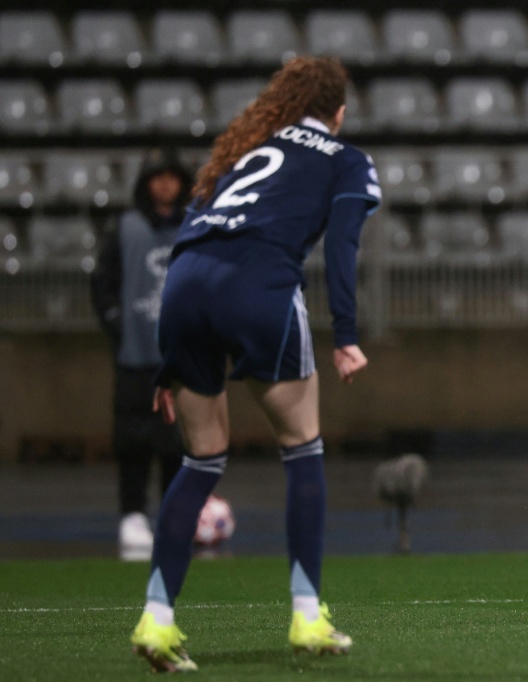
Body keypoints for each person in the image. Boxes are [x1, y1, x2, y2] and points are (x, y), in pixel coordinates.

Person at [129, 56, 381, 672]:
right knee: (302, 446)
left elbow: (194, 234)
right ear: (339, 112)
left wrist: (170, 361)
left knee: (200, 457)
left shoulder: (247, 147)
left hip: (184, 286)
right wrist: (345, 334)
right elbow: (343, 249)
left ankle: (156, 619)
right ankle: (306, 614)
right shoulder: (345, 158)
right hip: (257, 284)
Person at [90, 149, 192, 557]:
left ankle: (173, 515)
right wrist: (118, 324)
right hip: (135, 355)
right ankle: (132, 515)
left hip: (181, 356)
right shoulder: (126, 228)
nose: (165, 184)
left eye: (172, 176)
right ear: (145, 183)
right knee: (132, 440)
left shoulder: (193, 226)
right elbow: (102, 283)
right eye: (157, 177)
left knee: (176, 442)